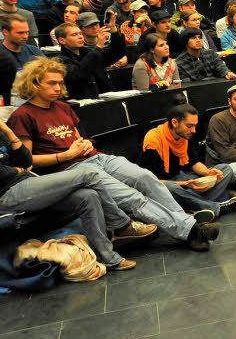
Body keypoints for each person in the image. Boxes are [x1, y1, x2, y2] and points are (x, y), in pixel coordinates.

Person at [8, 57, 220, 251]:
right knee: (131, 197)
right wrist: (64, 156)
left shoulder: (63, 107)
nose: (58, 87)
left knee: (146, 178)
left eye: (60, 83)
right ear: (34, 84)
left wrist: (84, 144)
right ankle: (192, 231)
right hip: (71, 169)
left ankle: (185, 226)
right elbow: (27, 162)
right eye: (51, 83)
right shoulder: (22, 115)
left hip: (96, 157)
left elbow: (77, 137)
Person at [0, 111, 148, 271]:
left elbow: (26, 161)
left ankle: (109, 258)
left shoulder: (2, 133)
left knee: (88, 196)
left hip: (27, 182)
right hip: (7, 194)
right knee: (88, 174)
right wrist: (17, 170)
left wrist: (7, 131)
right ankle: (121, 224)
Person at [138, 105, 236, 219]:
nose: (193, 130)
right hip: (162, 185)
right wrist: (184, 184)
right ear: (175, 122)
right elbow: (151, 181)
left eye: (195, 126)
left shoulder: (185, 136)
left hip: (182, 179)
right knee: (171, 188)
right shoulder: (153, 141)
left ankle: (195, 206)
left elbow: (193, 163)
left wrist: (209, 173)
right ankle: (215, 207)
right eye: (189, 126)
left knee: (225, 169)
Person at [57, 22, 126, 99]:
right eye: (74, 35)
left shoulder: (88, 52)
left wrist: (114, 32)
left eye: (80, 33)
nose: (80, 37)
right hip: (83, 102)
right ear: (62, 40)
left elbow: (116, 54)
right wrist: (98, 46)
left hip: (105, 97)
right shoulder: (60, 61)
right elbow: (78, 74)